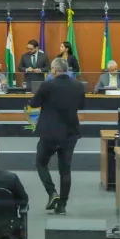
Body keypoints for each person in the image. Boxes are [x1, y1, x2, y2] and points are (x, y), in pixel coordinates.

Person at [30, 58, 86, 214]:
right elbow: (81, 106)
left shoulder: (48, 85)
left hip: (49, 132)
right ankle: (62, 205)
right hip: (70, 132)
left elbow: (34, 103)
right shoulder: (78, 85)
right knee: (65, 170)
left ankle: (52, 192)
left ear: (54, 69)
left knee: (41, 163)